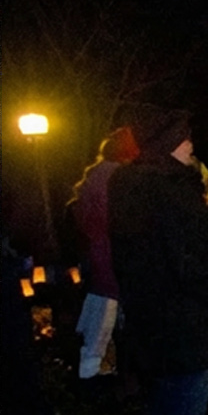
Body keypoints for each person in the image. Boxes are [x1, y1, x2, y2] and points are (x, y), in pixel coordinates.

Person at [109, 108, 208, 415]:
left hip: (149, 313)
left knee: (161, 401)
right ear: (169, 143)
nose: (191, 145)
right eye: (185, 138)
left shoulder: (127, 186)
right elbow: (190, 256)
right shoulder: (173, 190)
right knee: (187, 400)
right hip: (184, 316)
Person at [69, 126, 139, 387]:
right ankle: (93, 371)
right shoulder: (115, 178)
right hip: (110, 253)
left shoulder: (96, 174)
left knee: (99, 306)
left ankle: (91, 366)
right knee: (105, 314)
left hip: (97, 251)